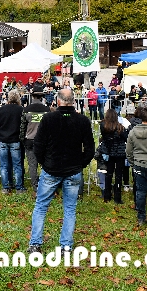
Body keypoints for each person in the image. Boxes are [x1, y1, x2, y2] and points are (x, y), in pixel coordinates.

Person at [28, 88, 94, 253]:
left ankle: (35, 244)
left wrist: (46, 163)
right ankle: (65, 246)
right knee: (69, 208)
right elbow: (90, 149)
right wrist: (79, 164)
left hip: (56, 168)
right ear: (72, 101)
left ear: (58, 101)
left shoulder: (50, 119)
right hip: (67, 168)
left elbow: (38, 145)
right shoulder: (81, 121)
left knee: (42, 206)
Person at [0, 89, 25, 194]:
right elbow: (23, 126)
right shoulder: (21, 110)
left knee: (4, 165)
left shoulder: (1, 109)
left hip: (3, 140)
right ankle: (19, 187)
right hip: (15, 140)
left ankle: (5, 187)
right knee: (17, 165)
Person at [21, 89, 49, 191]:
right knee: (44, 164)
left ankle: (35, 186)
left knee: (32, 165)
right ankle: (45, 185)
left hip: (29, 140)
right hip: (43, 141)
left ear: (32, 97)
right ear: (41, 97)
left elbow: (22, 126)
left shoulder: (27, 109)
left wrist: (22, 139)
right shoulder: (46, 110)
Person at [100, 108, 128, 204]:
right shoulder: (120, 127)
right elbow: (127, 138)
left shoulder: (103, 126)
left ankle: (107, 196)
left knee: (109, 174)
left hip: (109, 152)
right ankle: (117, 197)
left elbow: (104, 137)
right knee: (118, 175)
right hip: (119, 153)